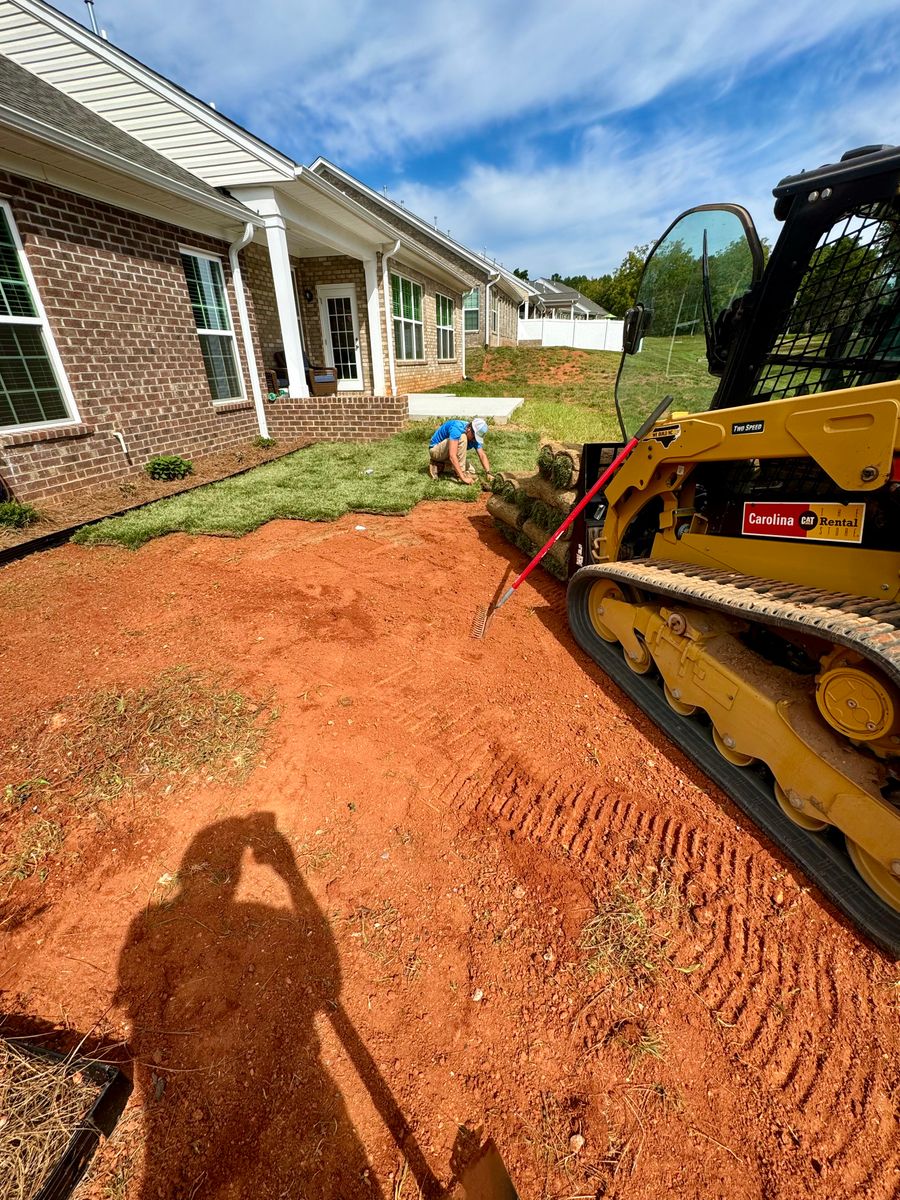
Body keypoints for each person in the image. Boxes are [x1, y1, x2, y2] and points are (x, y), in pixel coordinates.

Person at [427, 417, 491, 483]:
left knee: (472, 471)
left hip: (448, 453)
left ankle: (438, 466)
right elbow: (452, 455)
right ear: (469, 429)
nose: (474, 440)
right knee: (462, 437)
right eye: (474, 437)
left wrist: (488, 473)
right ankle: (458, 475)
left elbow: (482, 455)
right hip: (436, 451)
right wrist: (463, 477)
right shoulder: (457, 428)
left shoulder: (473, 437)